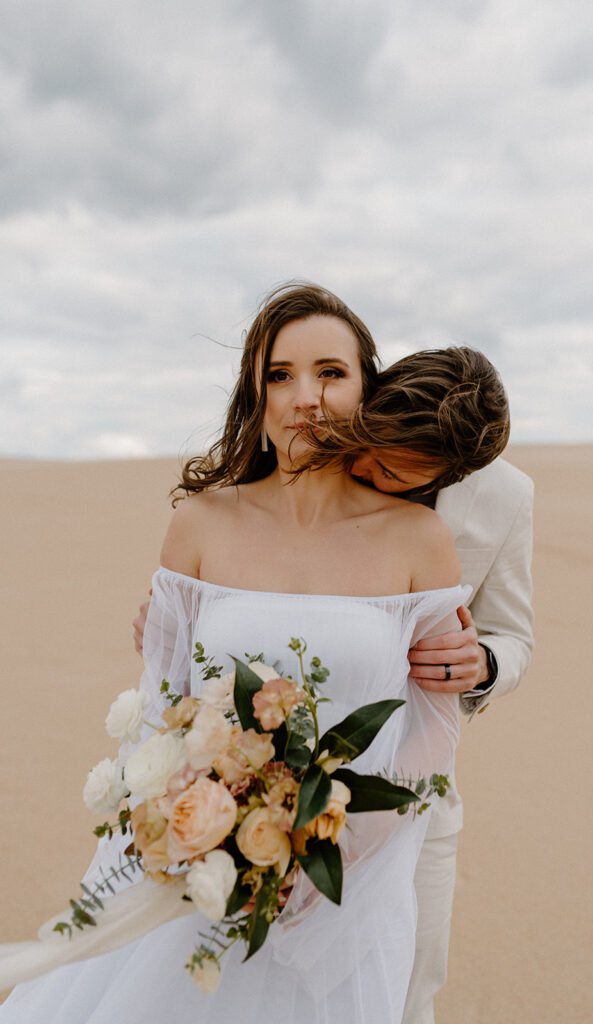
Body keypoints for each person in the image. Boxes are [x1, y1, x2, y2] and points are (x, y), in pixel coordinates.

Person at [0, 283, 490, 1023]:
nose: (307, 398)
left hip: (351, 883)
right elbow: (163, 711)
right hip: (207, 869)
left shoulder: (418, 539)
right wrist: (202, 837)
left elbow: (429, 732)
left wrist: (331, 850)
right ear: (255, 397)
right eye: (280, 375)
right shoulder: (200, 524)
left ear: (367, 388)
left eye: (331, 372)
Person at [131, 339, 534, 1024]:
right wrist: (186, 626)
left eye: (394, 472)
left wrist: (485, 664)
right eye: (369, 448)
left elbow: (513, 631)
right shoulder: (324, 445)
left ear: (456, 473)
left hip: (408, 803)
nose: (366, 469)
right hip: (250, 794)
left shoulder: (506, 499)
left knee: (400, 993)